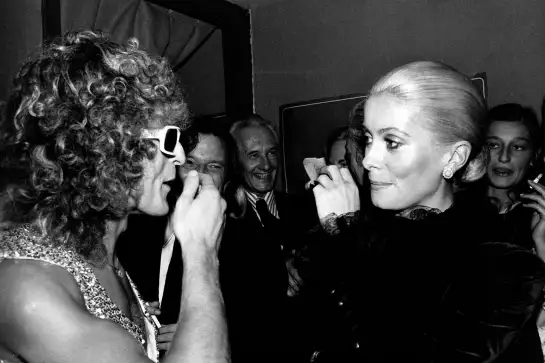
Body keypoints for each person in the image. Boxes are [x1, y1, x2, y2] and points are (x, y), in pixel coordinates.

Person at [0, 31, 228, 363]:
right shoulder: (31, 287)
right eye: (169, 139)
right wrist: (202, 253)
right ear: (110, 147)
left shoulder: (104, 255)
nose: (179, 157)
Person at [298, 61, 545, 362]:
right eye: (368, 139)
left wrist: (344, 237)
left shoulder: (499, 264)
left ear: (453, 157)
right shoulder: (367, 234)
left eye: (392, 142)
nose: (367, 160)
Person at [116, 116, 234, 354]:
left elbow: (268, 337)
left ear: (229, 176)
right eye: (190, 162)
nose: (199, 175)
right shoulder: (131, 230)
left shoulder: (255, 244)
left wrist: (198, 335)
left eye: (214, 166)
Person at [220, 114, 317, 362]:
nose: (266, 164)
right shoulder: (221, 220)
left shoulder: (307, 209)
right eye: (253, 155)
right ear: (234, 161)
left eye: (271, 153)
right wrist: (278, 271)